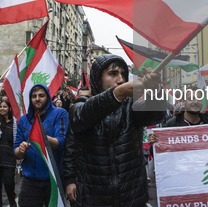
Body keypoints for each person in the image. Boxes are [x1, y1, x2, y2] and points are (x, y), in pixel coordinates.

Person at [70, 54, 166, 206]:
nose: (120, 79)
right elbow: (81, 119)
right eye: (113, 74)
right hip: (94, 198)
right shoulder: (80, 107)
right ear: (97, 78)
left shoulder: (131, 107)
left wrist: (155, 89)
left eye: (123, 75)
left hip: (132, 197)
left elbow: (156, 114)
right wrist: (119, 93)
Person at [14, 83, 68, 207]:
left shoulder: (60, 113)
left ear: (48, 97)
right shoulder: (23, 120)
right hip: (30, 181)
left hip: (53, 179)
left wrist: (41, 137)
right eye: (34, 96)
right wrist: (21, 150)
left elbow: (61, 143)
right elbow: (16, 152)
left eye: (41, 95)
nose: (37, 98)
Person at [62, 87, 92, 206]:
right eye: (80, 99)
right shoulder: (74, 118)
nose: (83, 102)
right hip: (79, 182)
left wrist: (151, 85)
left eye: (87, 98)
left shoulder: (101, 115)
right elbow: (69, 150)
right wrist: (70, 181)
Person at [0, 100, 17, 207]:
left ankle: (12, 201)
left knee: (9, 182)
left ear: (10, 108)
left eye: (4, 107)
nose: (2, 109)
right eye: (0, 107)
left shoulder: (15, 123)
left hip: (9, 159)